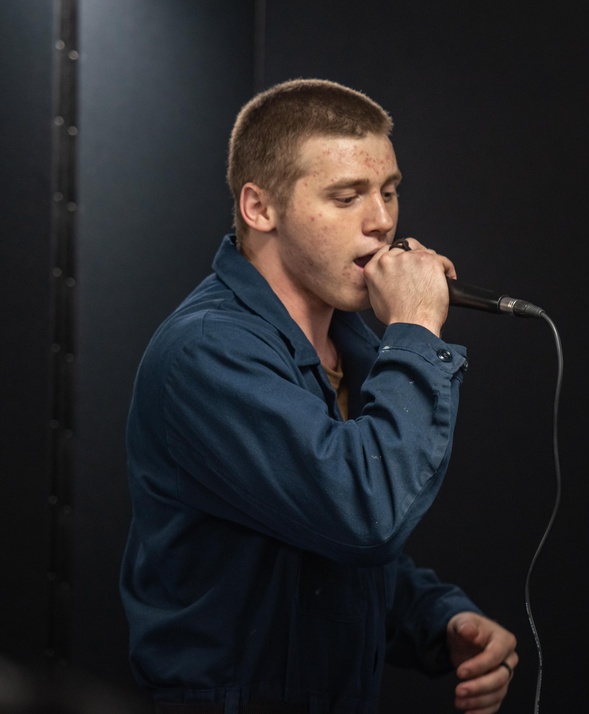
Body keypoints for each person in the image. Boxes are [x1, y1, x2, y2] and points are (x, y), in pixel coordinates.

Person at [119, 79, 517, 714]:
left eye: (388, 192)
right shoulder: (207, 352)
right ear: (259, 208)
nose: (382, 220)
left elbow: (318, 564)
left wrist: (438, 619)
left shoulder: (352, 349)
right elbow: (362, 513)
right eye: (346, 195)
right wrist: (415, 331)